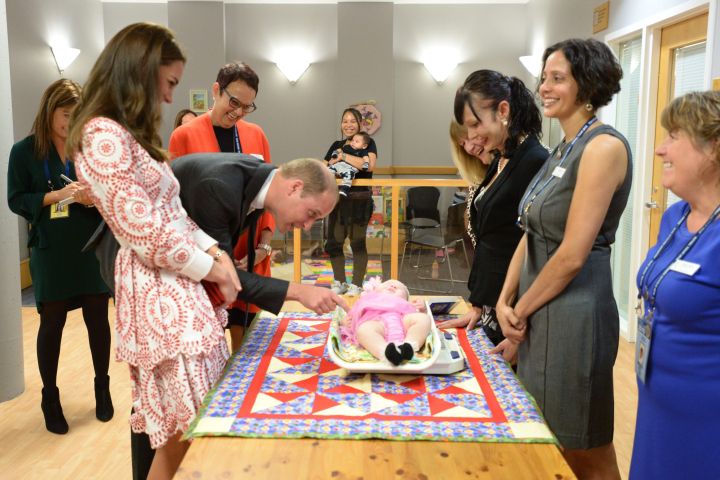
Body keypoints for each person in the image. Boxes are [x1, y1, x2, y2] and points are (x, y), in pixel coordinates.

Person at [67, 23, 242, 479]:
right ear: (140, 73)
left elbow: (174, 214)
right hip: (158, 298)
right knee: (183, 433)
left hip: (178, 290)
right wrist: (213, 268)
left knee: (193, 427)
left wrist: (215, 255)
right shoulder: (101, 135)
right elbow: (146, 234)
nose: (169, 98)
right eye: (169, 84)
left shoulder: (123, 132)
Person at [131, 153, 349, 479]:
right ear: (295, 187)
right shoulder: (219, 185)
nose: (307, 226)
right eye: (311, 214)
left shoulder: (252, 179)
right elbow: (218, 273)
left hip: (176, 291)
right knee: (172, 420)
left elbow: (220, 267)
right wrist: (299, 291)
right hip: (153, 294)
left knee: (174, 418)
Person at [494, 38, 630, 478]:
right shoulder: (562, 148)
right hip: (539, 303)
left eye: (558, 79)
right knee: (546, 435)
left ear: (586, 84)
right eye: (544, 78)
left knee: (584, 446)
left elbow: (572, 255)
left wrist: (520, 310)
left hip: (575, 312)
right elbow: (530, 231)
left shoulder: (603, 148)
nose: (545, 88)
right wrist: (505, 300)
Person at [7, 78, 113, 435]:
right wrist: (56, 197)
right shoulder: (24, 152)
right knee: (52, 323)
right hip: (52, 250)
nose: (72, 122)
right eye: (67, 115)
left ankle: (103, 387)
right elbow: (16, 199)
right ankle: (50, 397)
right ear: (49, 111)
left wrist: (93, 196)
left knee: (98, 317)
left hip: (90, 245)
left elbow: (113, 190)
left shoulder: (91, 147)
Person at [630, 91, 720, 479]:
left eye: (674, 136)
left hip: (706, 417)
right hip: (657, 400)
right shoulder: (675, 217)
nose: (659, 149)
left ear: (713, 148)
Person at [169, 61, 274, 351]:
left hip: (248, 249)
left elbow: (268, 194)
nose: (238, 112)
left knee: (250, 339)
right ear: (216, 90)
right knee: (211, 339)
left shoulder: (256, 135)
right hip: (207, 252)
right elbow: (177, 203)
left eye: (247, 106)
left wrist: (265, 245)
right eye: (234, 102)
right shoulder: (185, 135)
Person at [439, 71, 547, 350]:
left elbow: (533, 249)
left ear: (503, 111)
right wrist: (477, 304)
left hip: (514, 310)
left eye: (475, 124)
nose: (472, 136)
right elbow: (491, 242)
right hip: (492, 304)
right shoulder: (502, 158)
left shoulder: (534, 160)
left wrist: (518, 322)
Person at [324, 108, 377, 296]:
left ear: (360, 124)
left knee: (357, 243)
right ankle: (339, 281)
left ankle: (356, 284)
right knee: (334, 242)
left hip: (360, 200)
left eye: (352, 121)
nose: (348, 125)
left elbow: (369, 166)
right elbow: (326, 165)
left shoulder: (367, 143)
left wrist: (343, 157)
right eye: (345, 121)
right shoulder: (336, 144)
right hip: (338, 200)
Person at [340, 278, 431, 365]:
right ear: (375, 292)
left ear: (405, 298)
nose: (393, 286)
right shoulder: (368, 300)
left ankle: (410, 345)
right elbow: (354, 312)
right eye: (387, 285)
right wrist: (345, 321)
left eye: (399, 288)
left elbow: (420, 316)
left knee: (424, 319)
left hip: (402, 322)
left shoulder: (407, 305)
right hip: (377, 323)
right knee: (364, 329)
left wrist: (422, 308)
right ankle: (385, 351)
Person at [328, 131, 371, 197]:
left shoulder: (362, 151)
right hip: (340, 165)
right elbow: (340, 149)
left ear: (364, 146)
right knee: (330, 169)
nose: (353, 142)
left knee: (349, 176)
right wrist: (335, 153)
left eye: (357, 141)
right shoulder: (347, 147)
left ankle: (344, 189)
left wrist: (366, 164)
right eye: (353, 140)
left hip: (350, 168)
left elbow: (366, 158)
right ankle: (328, 185)